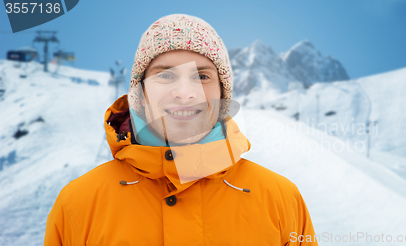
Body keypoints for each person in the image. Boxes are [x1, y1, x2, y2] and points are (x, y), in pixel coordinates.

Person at [44, 13, 318, 245]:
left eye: (201, 76)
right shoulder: (78, 204)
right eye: (165, 75)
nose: (185, 93)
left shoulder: (281, 199)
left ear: (223, 94)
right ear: (139, 94)